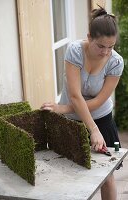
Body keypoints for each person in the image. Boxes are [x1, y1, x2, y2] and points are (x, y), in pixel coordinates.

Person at [41, 6, 124, 200]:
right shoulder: (75, 51)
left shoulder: (116, 62)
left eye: (111, 47)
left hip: (101, 119)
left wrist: (63, 109)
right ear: (89, 37)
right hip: (72, 121)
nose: (106, 52)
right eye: (101, 46)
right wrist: (88, 126)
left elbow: (100, 100)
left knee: (107, 175)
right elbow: (75, 95)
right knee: (69, 172)